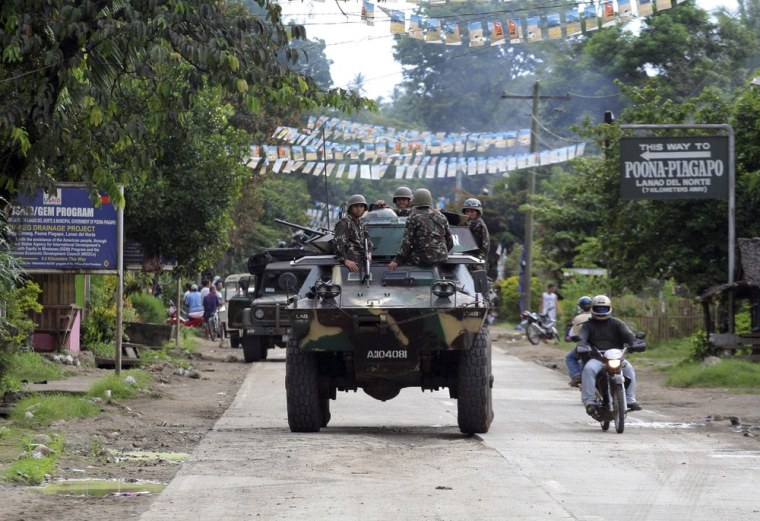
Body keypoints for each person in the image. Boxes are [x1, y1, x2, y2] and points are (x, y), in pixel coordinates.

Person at [577, 295, 642, 415]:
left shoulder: (617, 323)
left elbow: (628, 335)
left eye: (604, 308)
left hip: (616, 357)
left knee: (629, 369)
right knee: (588, 369)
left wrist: (635, 343)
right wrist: (581, 345)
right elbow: (582, 338)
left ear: (609, 308)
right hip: (597, 358)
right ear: (592, 308)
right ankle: (589, 402)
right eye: (598, 308)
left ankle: (630, 400)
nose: (601, 311)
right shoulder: (588, 325)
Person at [388, 188, 452, 270]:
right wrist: (441, 253)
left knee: (404, 261)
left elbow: (407, 242)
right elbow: (450, 241)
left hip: (422, 257)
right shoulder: (441, 216)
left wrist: (397, 260)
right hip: (442, 257)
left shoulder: (413, 217)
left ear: (414, 200)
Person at [333, 194, 373, 273]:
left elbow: (369, 242)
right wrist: (346, 260)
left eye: (361, 206)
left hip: (362, 262)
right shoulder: (345, 223)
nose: (359, 209)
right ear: (350, 208)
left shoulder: (361, 223)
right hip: (351, 264)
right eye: (356, 206)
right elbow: (338, 244)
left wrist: (369, 254)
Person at [564, 296, 593, 387]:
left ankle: (576, 375)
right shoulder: (597, 316)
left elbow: (570, 337)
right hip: (602, 346)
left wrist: (568, 337)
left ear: (580, 307)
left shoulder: (578, 318)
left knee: (570, 357)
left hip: (584, 347)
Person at [462, 198, 489, 269]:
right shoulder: (467, 223)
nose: (469, 214)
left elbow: (484, 247)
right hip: (466, 258)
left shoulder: (478, 224)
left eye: (472, 211)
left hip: (476, 260)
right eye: (467, 211)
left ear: (477, 212)